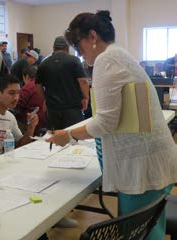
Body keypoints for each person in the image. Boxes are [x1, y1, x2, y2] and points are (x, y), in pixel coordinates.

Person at [48, 10, 177, 240]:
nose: (79, 53)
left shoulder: (106, 60)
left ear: (93, 37)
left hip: (142, 169)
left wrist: (67, 135)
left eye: (79, 46)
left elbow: (106, 122)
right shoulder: (119, 55)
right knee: (149, 230)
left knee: (139, 234)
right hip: (151, 162)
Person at [36, 36, 89, 130]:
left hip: (53, 110)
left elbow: (38, 86)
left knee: (55, 140)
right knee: (74, 138)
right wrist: (85, 97)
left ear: (53, 48)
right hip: (73, 109)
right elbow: (83, 81)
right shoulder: (74, 61)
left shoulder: (44, 63)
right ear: (67, 47)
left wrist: (45, 99)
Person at [15, 66, 46, 134]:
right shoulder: (45, 84)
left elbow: (17, 105)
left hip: (31, 123)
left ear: (26, 77)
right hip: (45, 123)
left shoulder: (28, 87)